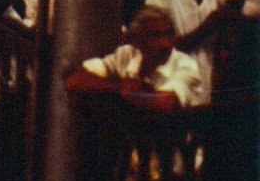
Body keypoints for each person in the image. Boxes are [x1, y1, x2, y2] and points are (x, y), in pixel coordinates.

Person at [65, 6, 203, 110]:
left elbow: (163, 103)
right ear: (137, 41)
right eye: (155, 36)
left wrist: (131, 93)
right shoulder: (127, 55)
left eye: (168, 34)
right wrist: (118, 87)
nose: (165, 43)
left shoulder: (185, 64)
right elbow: (74, 81)